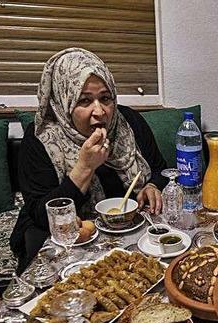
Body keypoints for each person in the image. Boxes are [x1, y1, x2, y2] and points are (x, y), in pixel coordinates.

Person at [10, 48, 167, 271]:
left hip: (133, 234)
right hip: (74, 242)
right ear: (64, 101)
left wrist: (153, 185)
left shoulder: (128, 122)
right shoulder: (40, 139)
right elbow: (42, 216)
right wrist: (84, 167)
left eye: (105, 98)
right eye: (84, 101)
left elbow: (161, 170)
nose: (100, 112)